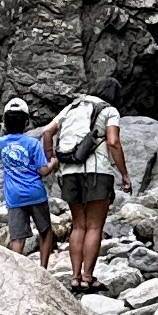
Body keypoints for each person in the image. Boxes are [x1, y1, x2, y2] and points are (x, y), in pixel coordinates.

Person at [48, 85, 130, 292]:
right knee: (94, 227)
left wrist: (51, 158)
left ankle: (75, 278)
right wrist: (124, 174)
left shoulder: (72, 107)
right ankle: (87, 278)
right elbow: (113, 142)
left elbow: (47, 132)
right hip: (97, 172)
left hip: (69, 172)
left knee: (78, 226)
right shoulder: (109, 110)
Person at [0, 101, 53, 256]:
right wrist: (53, 162)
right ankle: (43, 269)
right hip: (35, 193)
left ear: (4, 122)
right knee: (45, 232)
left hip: (14, 196)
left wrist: (3, 128)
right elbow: (44, 170)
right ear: (27, 123)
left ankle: (18, 270)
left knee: (17, 238)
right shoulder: (33, 143)